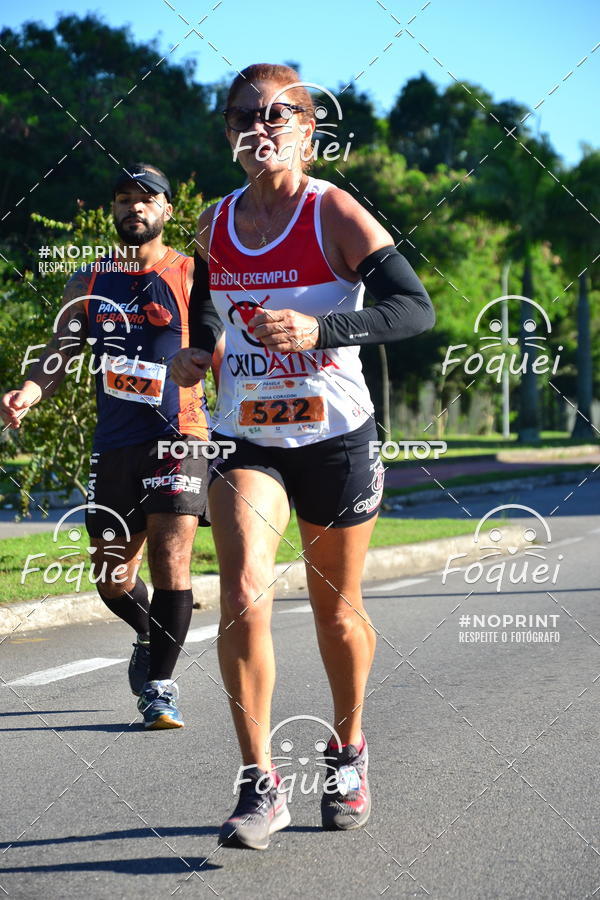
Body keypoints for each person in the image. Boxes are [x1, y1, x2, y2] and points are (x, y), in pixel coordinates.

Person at [171, 63, 434, 848]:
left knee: (335, 612)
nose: (262, 125)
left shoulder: (334, 215)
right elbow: (210, 308)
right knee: (245, 589)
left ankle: (347, 748)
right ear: (228, 133)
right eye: (244, 115)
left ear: (308, 132)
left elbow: (413, 309)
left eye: (280, 113)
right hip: (246, 435)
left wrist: (324, 331)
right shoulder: (214, 223)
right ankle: (260, 784)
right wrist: (201, 351)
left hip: (334, 438)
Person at [1, 164, 217, 729]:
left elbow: (224, 346)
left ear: (167, 211)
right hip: (115, 443)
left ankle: (161, 688)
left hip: (180, 436)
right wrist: (27, 392)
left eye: (146, 200)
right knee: (112, 579)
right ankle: (148, 632)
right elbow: (59, 350)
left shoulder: (193, 275)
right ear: (113, 211)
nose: (134, 208)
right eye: (123, 199)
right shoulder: (89, 281)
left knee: (172, 558)